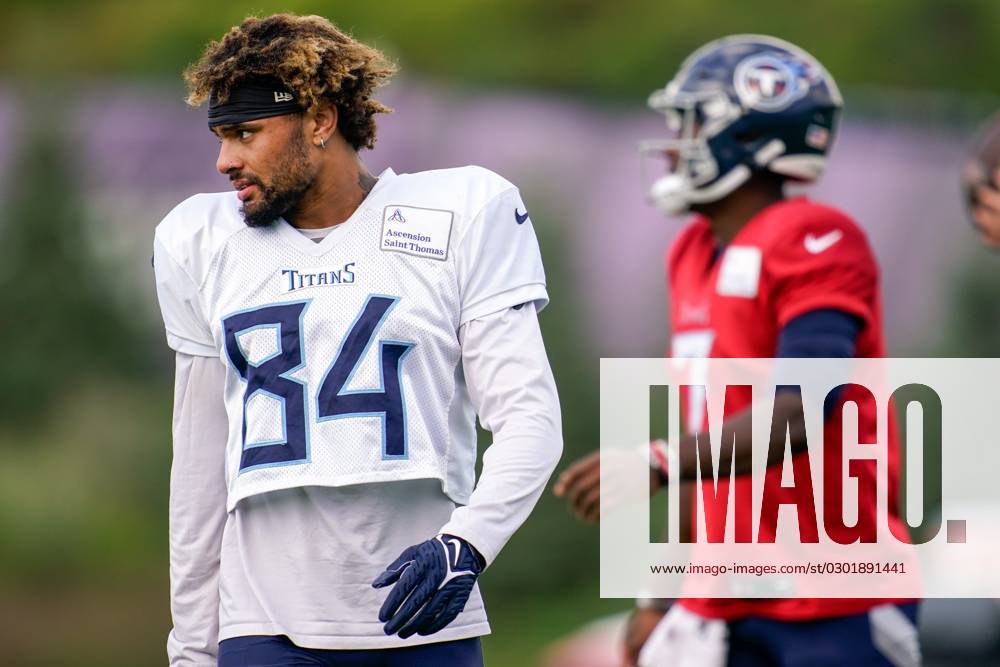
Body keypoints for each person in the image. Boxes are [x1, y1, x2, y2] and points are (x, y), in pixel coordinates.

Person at [152, 13, 562, 666]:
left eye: (246, 132)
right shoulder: (199, 240)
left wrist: (467, 544)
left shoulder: (463, 211)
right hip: (264, 621)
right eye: (222, 136)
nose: (225, 160)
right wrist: (192, 650)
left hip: (423, 613)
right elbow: (201, 467)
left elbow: (530, 419)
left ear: (319, 121)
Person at [555, 35, 920, 667]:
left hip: (831, 591)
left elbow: (803, 411)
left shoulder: (817, 236)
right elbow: (710, 436)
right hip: (727, 592)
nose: (673, 145)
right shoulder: (692, 251)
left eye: (691, 124)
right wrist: (661, 590)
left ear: (749, 138)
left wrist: (657, 461)